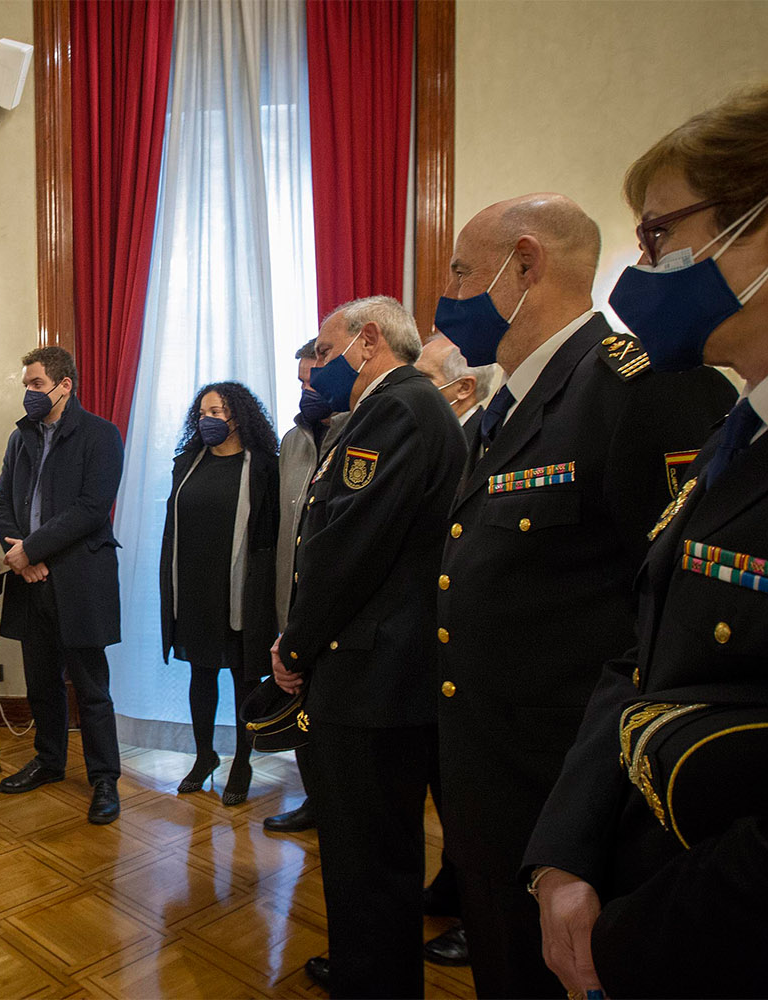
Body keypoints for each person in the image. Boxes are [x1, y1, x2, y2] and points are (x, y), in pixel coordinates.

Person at [433, 192, 736, 998]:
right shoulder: (506, 405)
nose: (451, 293)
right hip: (487, 780)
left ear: (525, 264)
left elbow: (669, 626)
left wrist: (585, 825)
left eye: (464, 271)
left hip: (567, 793)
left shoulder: (638, 386)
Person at [525, 77, 768, 1000]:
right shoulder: (743, 433)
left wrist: (633, 939)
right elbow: (640, 660)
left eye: (659, 233)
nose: (644, 267)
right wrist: (563, 854)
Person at [270, 296, 466, 997]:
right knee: (369, 853)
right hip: (383, 664)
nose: (316, 367)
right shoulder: (405, 408)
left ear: (368, 341)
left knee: (369, 855)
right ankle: (365, 968)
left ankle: (372, 981)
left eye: (324, 353)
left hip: (375, 671)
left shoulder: (396, 409)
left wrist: (294, 647)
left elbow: (346, 548)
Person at [0, 345, 125, 825]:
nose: (29, 393)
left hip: (80, 579)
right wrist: (22, 559)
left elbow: (92, 509)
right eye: (26, 384)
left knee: (90, 687)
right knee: (41, 682)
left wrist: (33, 549)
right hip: (31, 581)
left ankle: (104, 778)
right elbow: (1, 503)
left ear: (65, 385)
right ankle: (49, 761)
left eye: (37, 385)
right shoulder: (20, 438)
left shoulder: (100, 435)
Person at [159, 381, 279, 805]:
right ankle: (204, 755)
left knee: (246, 676)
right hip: (193, 586)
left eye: (217, 413)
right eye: (203, 414)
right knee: (201, 672)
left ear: (238, 417)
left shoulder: (264, 466)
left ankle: (243, 762)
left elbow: (272, 536)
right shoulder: (187, 462)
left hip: (242, 589)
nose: (208, 421)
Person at [262, 338, 347, 835]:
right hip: (289, 597)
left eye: (313, 379)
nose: (306, 389)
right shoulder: (293, 441)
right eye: (300, 382)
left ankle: (338, 804)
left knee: (331, 709)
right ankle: (314, 797)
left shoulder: (360, 430)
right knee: (297, 701)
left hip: (331, 601)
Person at [415, 333, 500, 450]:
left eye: (423, 376)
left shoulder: (486, 444)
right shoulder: (418, 430)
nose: (412, 383)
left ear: (464, 388)